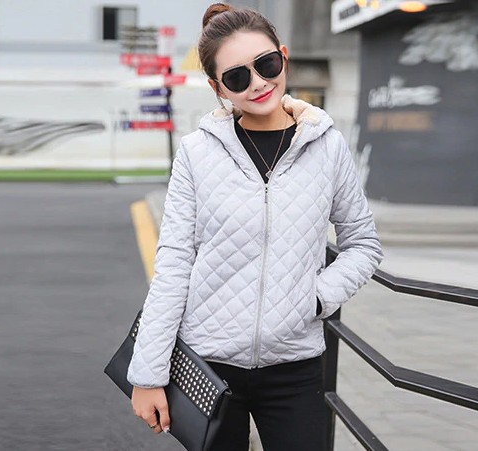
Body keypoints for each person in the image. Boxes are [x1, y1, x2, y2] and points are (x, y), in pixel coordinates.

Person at [127, 3, 383, 450]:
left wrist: (316, 297)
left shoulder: (327, 146)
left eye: (266, 65)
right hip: (207, 365)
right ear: (217, 87)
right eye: (237, 77)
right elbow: (173, 264)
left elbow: (363, 244)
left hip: (295, 365)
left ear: (283, 56)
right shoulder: (196, 153)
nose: (259, 83)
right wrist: (147, 374)